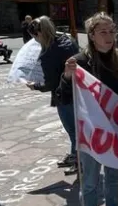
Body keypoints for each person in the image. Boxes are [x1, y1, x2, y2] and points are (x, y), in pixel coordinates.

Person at [57, 13, 118, 206]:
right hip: (92, 133)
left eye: (112, 31)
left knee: (114, 173)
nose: (109, 36)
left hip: (116, 129)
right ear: (91, 35)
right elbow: (62, 97)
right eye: (103, 32)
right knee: (91, 181)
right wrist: (67, 77)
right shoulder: (79, 62)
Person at [26, 16, 80, 167]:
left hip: (64, 95)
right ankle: (75, 155)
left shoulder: (48, 53)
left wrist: (35, 86)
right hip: (79, 90)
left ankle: (78, 160)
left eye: (34, 38)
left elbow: (50, 83)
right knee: (79, 128)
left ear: (38, 34)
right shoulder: (68, 41)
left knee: (73, 130)